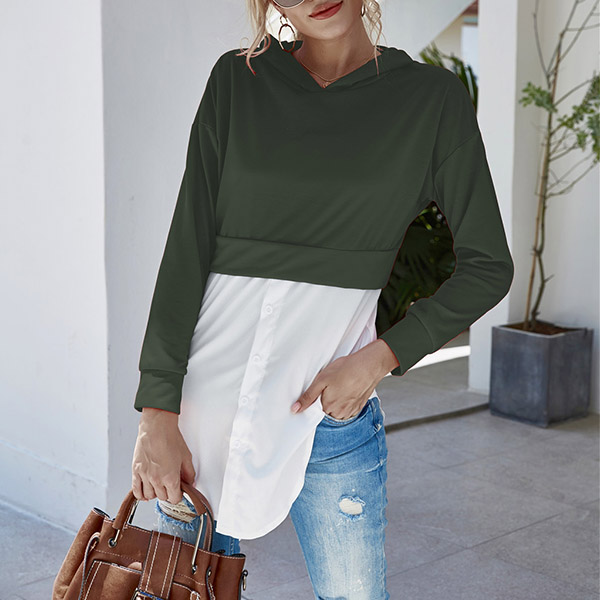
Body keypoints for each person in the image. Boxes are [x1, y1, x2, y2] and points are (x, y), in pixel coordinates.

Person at [130, 0, 515, 598]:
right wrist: (157, 412)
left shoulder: (430, 100)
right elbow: (187, 249)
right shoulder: (238, 79)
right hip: (202, 415)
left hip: (327, 418)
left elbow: (489, 266)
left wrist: (378, 359)